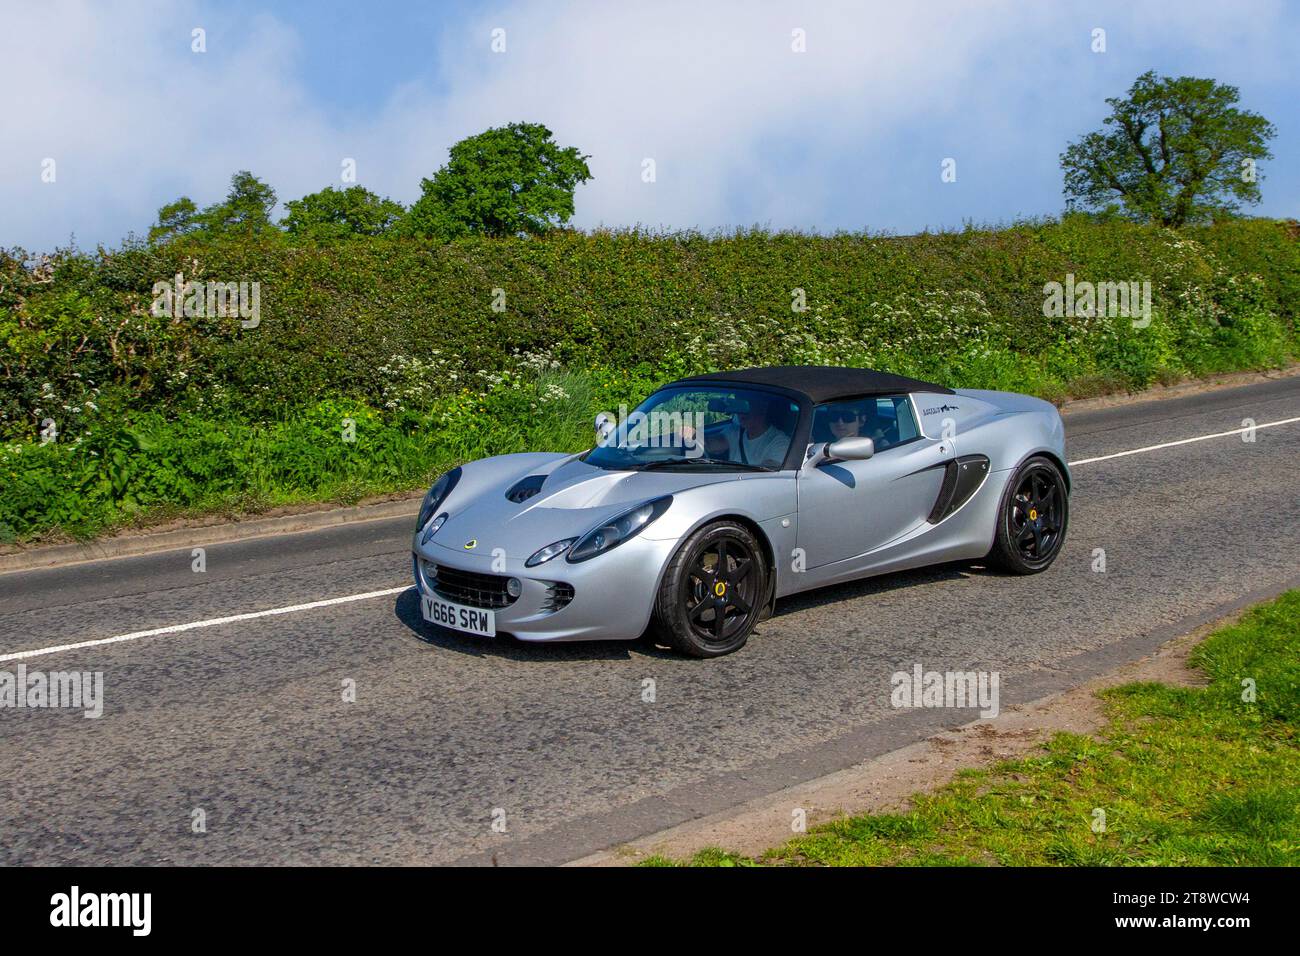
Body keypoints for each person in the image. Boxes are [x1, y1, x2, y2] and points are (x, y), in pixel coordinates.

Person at [708, 395, 790, 468]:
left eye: (744, 405)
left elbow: (765, 475)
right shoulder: (735, 431)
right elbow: (711, 444)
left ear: (763, 407)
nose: (740, 412)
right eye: (737, 405)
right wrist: (696, 435)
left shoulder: (780, 442)